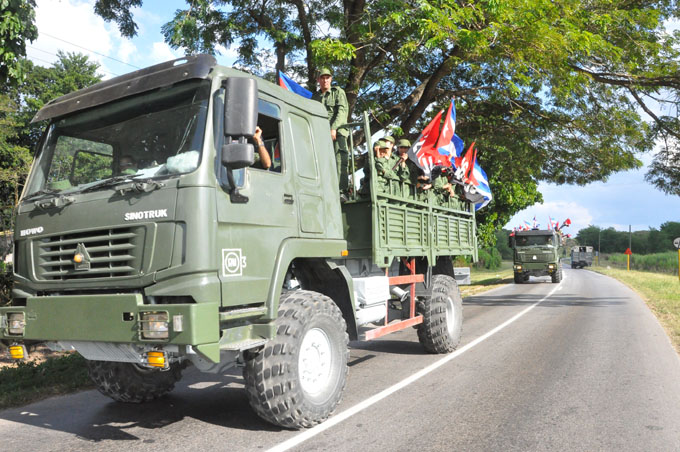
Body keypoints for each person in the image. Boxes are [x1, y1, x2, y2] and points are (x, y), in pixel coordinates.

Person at [312, 68, 349, 197]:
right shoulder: (315, 96)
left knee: (339, 160)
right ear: (318, 80)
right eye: (322, 77)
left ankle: (341, 191)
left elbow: (342, 112)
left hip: (337, 132)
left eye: (327, 77)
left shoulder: (338, 92)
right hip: (321, 133)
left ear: (331, 79)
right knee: (320, 160)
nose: (325, 80)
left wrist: (333, 128)